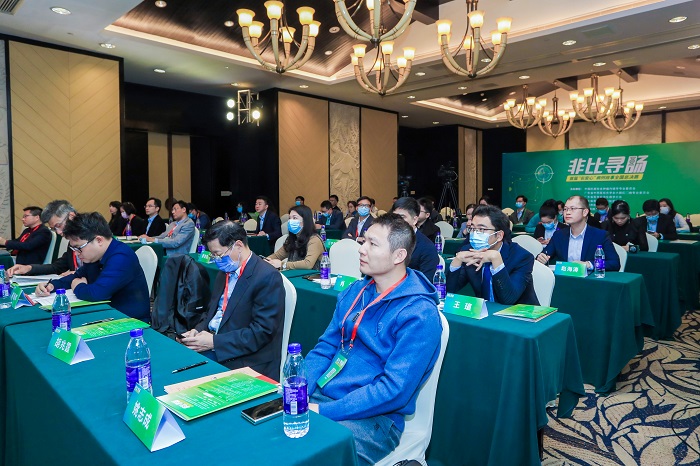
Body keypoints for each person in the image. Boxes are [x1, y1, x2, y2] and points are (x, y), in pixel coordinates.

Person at [304, 214, 442, 466]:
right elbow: (326, 348)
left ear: (399, 256)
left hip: (375, 418)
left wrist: (323, 412)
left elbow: (394, 391)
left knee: (310, 455)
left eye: (372, 244)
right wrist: (299, 389)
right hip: (323, 396)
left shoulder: (420, 314)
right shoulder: (355, 292)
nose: (362, 249)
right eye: (363, 240)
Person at [179, 221, 285, 380]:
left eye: (218, 254)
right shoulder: (225, 271)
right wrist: (198, 331)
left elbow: (261, 332)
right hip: (217, 343)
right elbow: (212, 312)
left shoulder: (267, 276)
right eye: (213, 255)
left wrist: (215, 342)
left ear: (238, 246)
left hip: (246, 358)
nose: (216, 260)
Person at [36, 212, 150, 321]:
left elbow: (97, 293)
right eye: (73, 248)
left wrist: (78, 286)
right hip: (107, 313)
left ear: (99, 240)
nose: (76, 253)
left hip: (129, 321)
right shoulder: (96, 255)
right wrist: (52, 285)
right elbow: (77, 276)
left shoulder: (121, 257)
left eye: (79, 248)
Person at [446, 205, 539, 304]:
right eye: (473, 228)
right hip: (485, 310)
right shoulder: (470, 251)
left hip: (518, 311)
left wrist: (496, 259)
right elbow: (449, 290)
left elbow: (508, 299)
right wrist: (457, 260)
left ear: (499, 235)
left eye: (482, 229)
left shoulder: (521, 257)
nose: (475, 234)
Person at [537, 195, 620, 271]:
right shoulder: (558, 235)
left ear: (585, 212)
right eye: (565, 209)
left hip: (589, 280)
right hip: (565, 279)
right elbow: (544, 255)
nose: (567, 212)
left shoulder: (600, 235)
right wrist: (541, 258)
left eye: (572, 209)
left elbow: (615, 263)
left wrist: (589, 264)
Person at [6, 200, 79, 278]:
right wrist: (29, 268)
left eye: (58, 225)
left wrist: (80, 274)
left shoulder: (88, 238)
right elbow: (57, 267)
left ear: (71, 216)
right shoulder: (72, 243)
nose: (58, 232)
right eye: (54, 229)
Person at [392, 197, 439, 280]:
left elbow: (426, 281)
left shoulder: (427, 247)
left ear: (415, 220)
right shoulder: (387, 240)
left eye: (402, 217)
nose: (397, 221)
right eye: (394, 217)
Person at [266, 205, 325, 270]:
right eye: (290, 218)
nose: (290, 221)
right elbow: (277, 256)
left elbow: (308, 264)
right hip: (294, 274)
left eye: (295, 218)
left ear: (305, 221)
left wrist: (283, 265)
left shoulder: (314, 239)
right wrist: (265, 261)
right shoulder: (292, 239)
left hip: (313, 275)